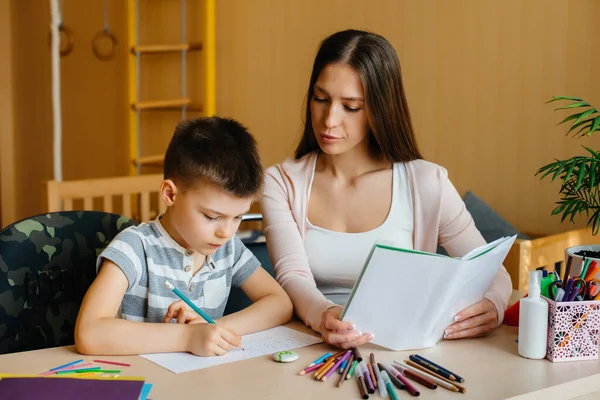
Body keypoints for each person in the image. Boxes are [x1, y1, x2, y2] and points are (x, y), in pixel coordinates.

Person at [261, 29, 511, 350]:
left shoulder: (426, 183)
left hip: (406, 349)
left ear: (380, 109)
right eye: (321, 99)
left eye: (351, 107)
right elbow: (292, 275)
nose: (329, 120)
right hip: (315, 346)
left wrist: (493, 306)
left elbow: (494, 273)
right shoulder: (282, 182)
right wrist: (325, 314)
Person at [75, 117, 293, 356]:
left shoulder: (228, 249)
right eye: (211, 217)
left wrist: (213, 329)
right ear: (170, 194)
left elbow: (280, 304)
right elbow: (89, 333)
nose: (227, 232)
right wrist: (187, 338)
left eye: (238, 217)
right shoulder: (134, 248)